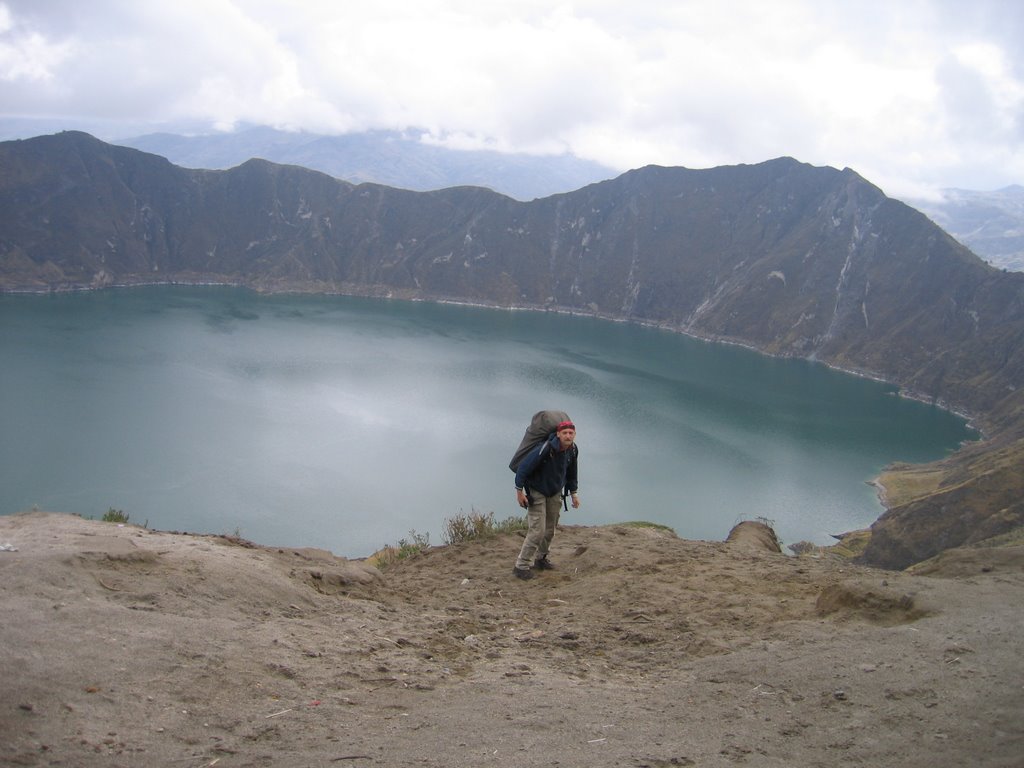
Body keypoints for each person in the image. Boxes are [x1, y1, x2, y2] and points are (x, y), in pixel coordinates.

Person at [512, 420, 579, 580]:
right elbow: (523, 468)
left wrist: (574, 493)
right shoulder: (546, 448)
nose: (568, 436)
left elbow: (572, 473)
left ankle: (541, 559)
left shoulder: (572, 450)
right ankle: (521, 566)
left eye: (571, 433)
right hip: (537, 491)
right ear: (558, 434)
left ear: (574, 435)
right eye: (565, 433)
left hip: (555, 491)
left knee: (550, 528)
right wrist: (519, 492)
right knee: (537, 530)